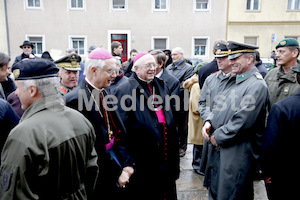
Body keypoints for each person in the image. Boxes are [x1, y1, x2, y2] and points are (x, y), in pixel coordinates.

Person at [0, 59, 98, 199]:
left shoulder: (23, 134)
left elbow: (12, 193)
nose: (16, 93)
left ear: (32, 90)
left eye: (18, 88)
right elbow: (91, 172)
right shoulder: (81, 120)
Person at [201, 41, 269, 199]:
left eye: (235, 58)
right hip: (221, 148)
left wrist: (217, 137)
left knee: (232, 193)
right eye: (230, 58)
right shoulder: (236, 80)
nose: (230, 62)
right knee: (217, 190)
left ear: (249, 59)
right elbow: (216, 107)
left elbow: (242, 120)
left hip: (236, 151)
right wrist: (210, 122)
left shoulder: (256, 85)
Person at [65, 47, 134, 200]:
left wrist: (128, 163)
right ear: (94, 70)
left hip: (114, 159)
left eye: (115, 70)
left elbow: (117, 131)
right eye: (110, 71)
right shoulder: (74, 100)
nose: (114, 75)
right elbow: (91, 147)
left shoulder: (104, 91)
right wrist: (118, 172)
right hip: (98, 170)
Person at [114, 53, 180, 199]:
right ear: (136, 68)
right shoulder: (125, 89)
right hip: (143, 158)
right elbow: (120, 129)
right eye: (148, 66)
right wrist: (127, 162)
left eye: (154, 65)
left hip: (166, 154)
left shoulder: (161, 84)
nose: (152, 69)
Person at [261, 63, 300, 200]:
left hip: (286, 176)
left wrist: (266, 171)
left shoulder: (282, 108)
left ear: (296, 78)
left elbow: (271, 144)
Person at [198, 41, 232, 177]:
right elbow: (202, 103)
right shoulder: (211, 79)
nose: (219, 60)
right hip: (211, 134)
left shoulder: (240, 81)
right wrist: (208, 120)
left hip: (229, 135)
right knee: (211, 176)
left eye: (223, 57)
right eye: (217, 57)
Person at [166, 47, 194, 157]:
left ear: (182, 54)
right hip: (170, 101)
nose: (173, 57)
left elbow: (185, 85)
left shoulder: (188, 68)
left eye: (175, 55)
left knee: (182, 126)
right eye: (172, 55)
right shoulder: (169, 67)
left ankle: (182, 147)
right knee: (172, 125)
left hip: (182, 101)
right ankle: (174, 145)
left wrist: (171, 89)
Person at [264, 38, 300, 107]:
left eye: (282, 52)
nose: (277, 55)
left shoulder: (299, 76)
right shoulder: (271, 74)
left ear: (295, 53)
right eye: (277, 51)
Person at [183, 64, 204, 175]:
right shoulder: (196, 85)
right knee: (198, 144)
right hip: (198, 119)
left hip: (199, 119)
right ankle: (197, 165)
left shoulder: (196, 83)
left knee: (199, 143)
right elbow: (196, 106)